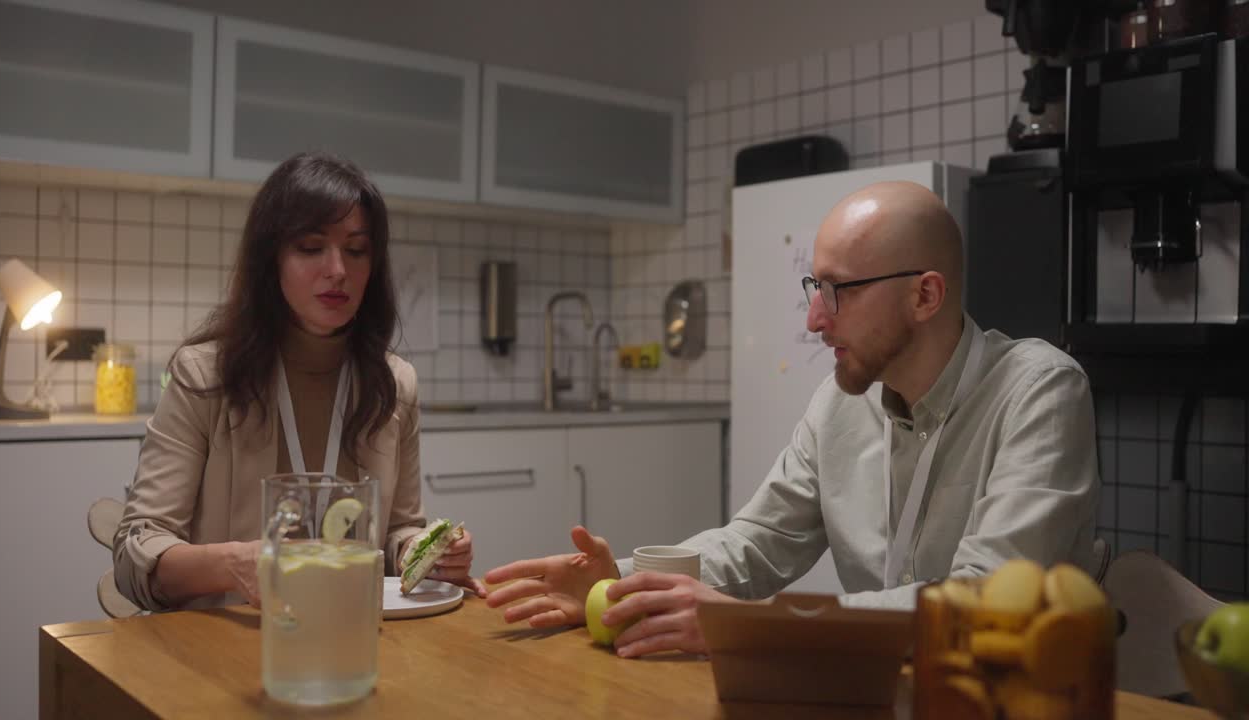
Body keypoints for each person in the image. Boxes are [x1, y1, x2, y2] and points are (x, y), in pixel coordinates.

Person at [485, 181, 1100, 657]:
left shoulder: (1038, 391)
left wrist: (752, 626)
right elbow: (756, 543)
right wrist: (620, 582)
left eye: (839, 290)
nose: (813, 320)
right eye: (815, 287)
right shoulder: (840, 402)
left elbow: (990, 605)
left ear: (925, 296)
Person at [114, 152, 485, 611]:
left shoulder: (394, 384)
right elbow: (135, 553)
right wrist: (236, 564)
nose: (338, 270)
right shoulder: (204, 375)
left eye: (356, 250)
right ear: (271, 260)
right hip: (226, 647)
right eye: (311, 247)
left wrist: (423, 552)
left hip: (351, 637)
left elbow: (397, 531)